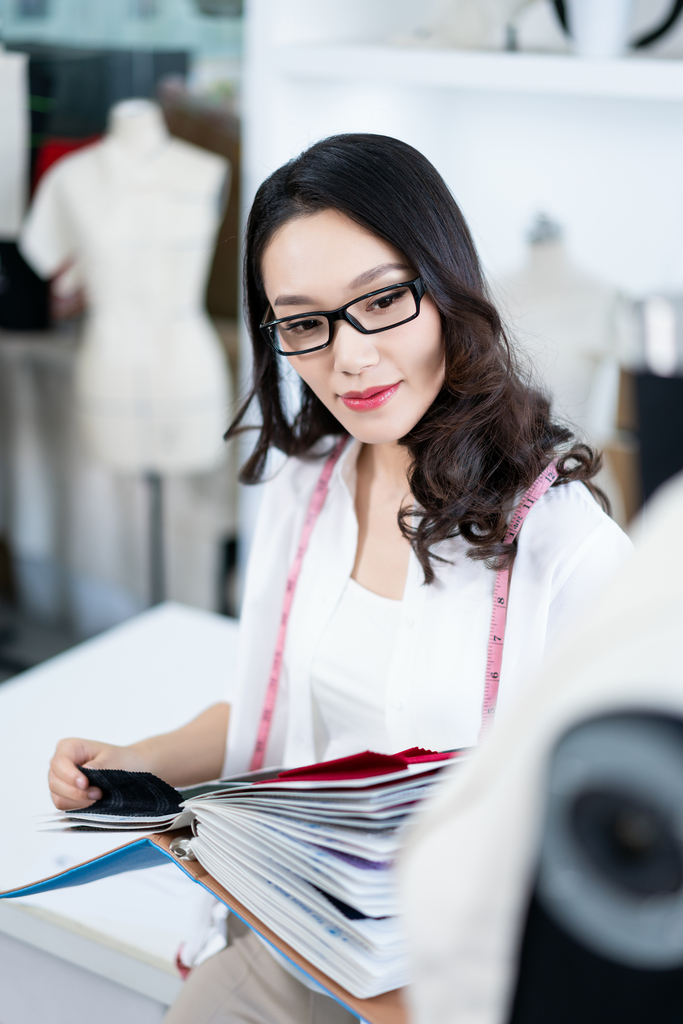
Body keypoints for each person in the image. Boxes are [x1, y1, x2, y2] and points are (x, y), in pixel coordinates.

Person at [48, 134, 633, 1024]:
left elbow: (618, 845)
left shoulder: (561, 545)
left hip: (458, 987)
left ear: (443, 285)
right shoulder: (308, 484)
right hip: (297, 939)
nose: (348, 358)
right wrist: (135, 764)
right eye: (304, 321)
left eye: (381, 300)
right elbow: (282, 708)